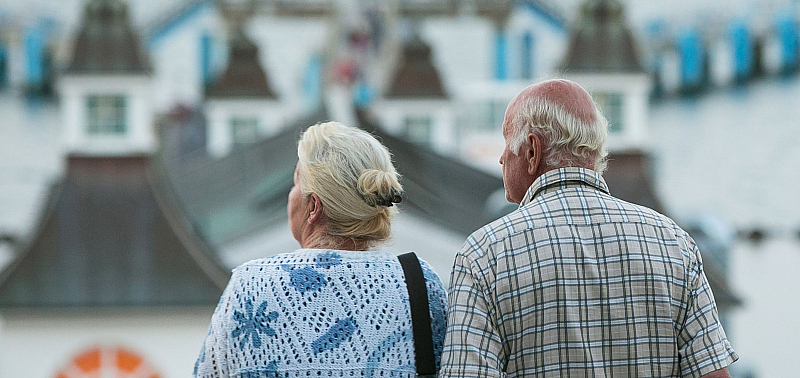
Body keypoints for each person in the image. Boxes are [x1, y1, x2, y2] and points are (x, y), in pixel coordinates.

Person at [440, 79, 737, 378]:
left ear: (532, 151)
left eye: (507, 142)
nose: (502, 157)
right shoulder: (674, 243)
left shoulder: (484, 256)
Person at [194, 121, 447, 378]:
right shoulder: (419, 284)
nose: (290, 196)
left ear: (314, 207)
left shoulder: (250, 285)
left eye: (295, 183)